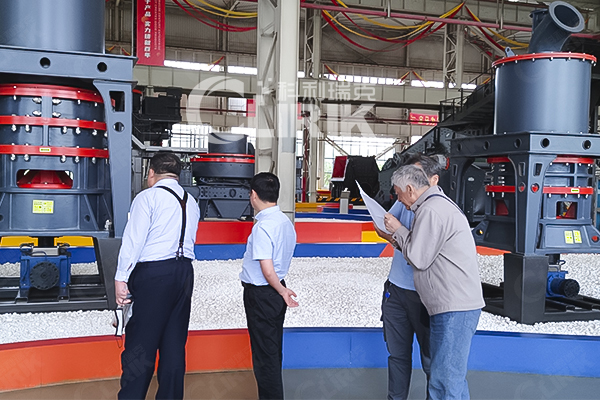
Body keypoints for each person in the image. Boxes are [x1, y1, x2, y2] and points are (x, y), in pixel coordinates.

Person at [384, 164, 484, 400]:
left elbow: (419, 258)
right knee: (448, 378)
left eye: (398, 193)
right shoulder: (436, 205)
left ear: (410, 189)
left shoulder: (431, 210)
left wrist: (398, 230)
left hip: (453, 307)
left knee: (445, 382)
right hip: (453, 305)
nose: (398, 199)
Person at [114, 152, 200, 400]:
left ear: (151, 173)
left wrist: (121, 278)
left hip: (154, 274)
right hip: (184, 273)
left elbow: (133, 241)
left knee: (141, 343)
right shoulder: (190, 201)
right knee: (174, 344)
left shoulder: (147, 198)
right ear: (177, 174)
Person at [374, 154, 441, 400]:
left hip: (424, 295)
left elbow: (421, 255)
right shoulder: (404, 201)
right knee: (397, 355)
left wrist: (400, 236)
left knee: (432, 360)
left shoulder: (438, 209)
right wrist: (396, 236)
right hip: (396, 290)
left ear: (433, 179)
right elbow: (384, 227)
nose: (408, 184)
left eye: (415, 177)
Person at [240, 172, 298, 399]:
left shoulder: (263, 227)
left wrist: (282, 291)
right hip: (274, 291)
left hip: (263, 294)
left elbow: (267, 269)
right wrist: (281, 289)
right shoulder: (285, 222)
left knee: (264, 359)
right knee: (272, 351)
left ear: (253, 195)